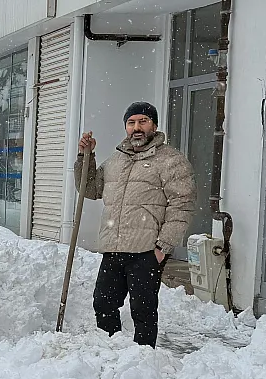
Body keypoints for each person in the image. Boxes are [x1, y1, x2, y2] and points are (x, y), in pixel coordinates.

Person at [74, 100, 194, 348]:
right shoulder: (116, 159)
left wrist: (163, 247)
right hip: (113, 247)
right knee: (103, 303)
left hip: (146, 250)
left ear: (154, 125)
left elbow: (182, 204)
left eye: (143, 121)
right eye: (131, 123)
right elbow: (90, 188)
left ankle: (142, 359)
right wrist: (86, 157)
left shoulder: (171, 160)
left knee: (143, 310)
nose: (136, 127)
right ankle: (111, 349)